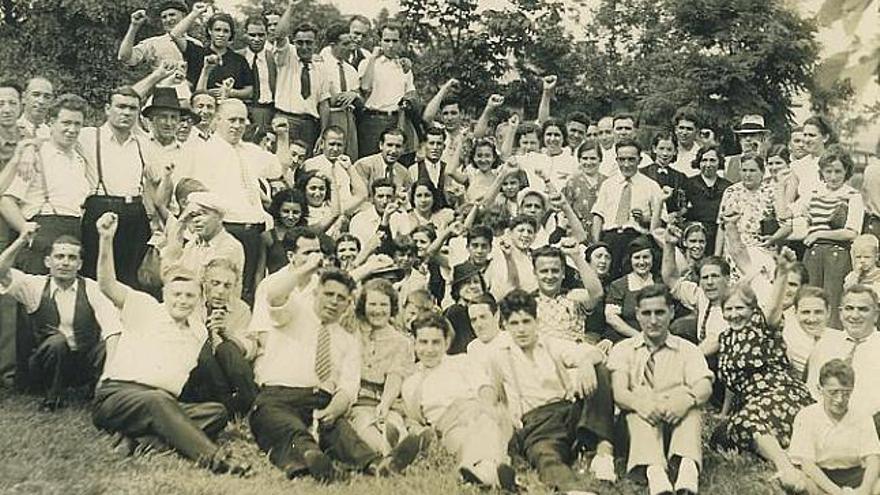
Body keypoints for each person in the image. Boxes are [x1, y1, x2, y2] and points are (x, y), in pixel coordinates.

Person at [92, 212, 250, 476]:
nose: (183, 300)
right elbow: (107, 284)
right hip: (117, 397)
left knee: (216, 412)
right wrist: (106, 240)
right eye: (176, 294)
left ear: (198, 299)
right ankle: (216, 458)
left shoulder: (198, 331)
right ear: (164, 294)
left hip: (163, 403)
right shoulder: (144, 307)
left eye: (190, 296)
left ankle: (142, 440)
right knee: (157, 401)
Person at [246, 253, 421, 481]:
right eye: (329, 294)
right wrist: (302, 271)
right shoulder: (294, 312)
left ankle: (377, 465)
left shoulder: (347, 339)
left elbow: (348, 386)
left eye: (341, 298)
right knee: (291, 429)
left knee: (342, 433)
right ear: (316, 293)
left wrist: (334, 409)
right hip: (278, 398)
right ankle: (319, 463)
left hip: (321, 402)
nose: (333, 302)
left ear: (349, 303)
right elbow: (274, 295)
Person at [487, 290, 617, 491]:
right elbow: (494, 398)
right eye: (514, 323)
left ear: (536, 322)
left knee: (599, 370)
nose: (521, 329)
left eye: (526, 322)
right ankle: (573, 489)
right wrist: (508, 419)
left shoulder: (549, 343)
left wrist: (585, 364)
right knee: (545, 455)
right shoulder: (499, 356)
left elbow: (594, 352)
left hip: (568, 412)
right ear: (504, 325)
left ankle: (603, 452)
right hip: (537, 423)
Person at [710, 278, 815, 493]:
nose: (734, 314)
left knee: (747, 421)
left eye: (740, 308)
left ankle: (786, 469)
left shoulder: (761, 326)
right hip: (752, 402)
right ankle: (790, 454)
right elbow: (730, 380)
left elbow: (774, 308)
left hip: (781, 393)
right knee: (723, 434)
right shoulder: (725, 338)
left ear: (752, 309)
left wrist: (783, 273)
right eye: (728, 309)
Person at [0, 226, 122, 409]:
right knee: (57, 342)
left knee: (106, 346)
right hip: (46, 363)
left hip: (83, 363)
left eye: (72, 258)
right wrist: (22, 240)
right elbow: (1, 272)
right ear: (48, 262)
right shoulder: (35, 286)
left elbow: (112, 330)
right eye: (59, 257)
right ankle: (52, 398)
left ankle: (99, 394)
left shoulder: (93, 288)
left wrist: (109, 373)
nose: (65, 263)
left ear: (80, 264)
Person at [608, 284, 713, 495]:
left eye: (660, 312)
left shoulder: (687, 349)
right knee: (641, 395)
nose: (653, 320)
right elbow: (619, 393)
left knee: (688, 399)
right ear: (637, 315)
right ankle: (655, 473)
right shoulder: (624, 349)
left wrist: (688, 399)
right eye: (646, 313)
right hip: (634, 427)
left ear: (672, 313)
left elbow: (704, 384)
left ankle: (687, 469)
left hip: (674, 423)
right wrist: (641, 404)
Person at [180, 99, 283, 304]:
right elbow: (187, 190)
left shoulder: (251, 151)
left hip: (253, 231)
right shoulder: (202, 150)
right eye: (232, 120)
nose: (237, 125)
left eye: (242, 120)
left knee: (245, 294)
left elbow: (279, 168)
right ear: (217, 120)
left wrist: (283, 136)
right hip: (224, 230)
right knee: (219, 292)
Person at [401, 311, 517, 490]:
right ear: (414, 344)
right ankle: (492, 470)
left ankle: (481, 471)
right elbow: (416, 421)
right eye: (423, 342)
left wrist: (481, 408)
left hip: (481, 412)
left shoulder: (461, 362)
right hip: (450, 428)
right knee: (472, 435)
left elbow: (484, 387)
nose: (430, 349)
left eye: (436, 342)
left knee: (487, 422)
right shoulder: (412, 383)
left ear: (446, 343)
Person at [0, 93, 90, 275]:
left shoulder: (80, 160)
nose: (71, 129)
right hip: (41, 234)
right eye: (66, 123)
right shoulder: (36, 156)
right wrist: (25, 229)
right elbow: (6, 201)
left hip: (73, 236)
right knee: (35, 299)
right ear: (51, 123)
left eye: (77, 124)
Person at [78, 86, 152, 287]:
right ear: (107, 109)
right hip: (100, 210)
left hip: (135, 214)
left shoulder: (144, 143)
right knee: (95, 277)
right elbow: (52, 138)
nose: (126, 112)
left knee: (129, 280)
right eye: (121, 106)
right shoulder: (87, 136)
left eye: (132, 108)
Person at [344, 278, 415, 458]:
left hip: (385, 400)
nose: (378, 310)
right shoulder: (354, 330)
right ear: (364, 305)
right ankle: (388, 451)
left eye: (383, 304)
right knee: (364, 425)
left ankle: (400, 443)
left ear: (392, 307)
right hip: (358, 401)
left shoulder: (401, 341)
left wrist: (385, 403)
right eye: (372, 304)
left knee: (393, 422)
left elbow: (396, 375)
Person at [180, 257, 258, 417]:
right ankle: (228, 408)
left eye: (227, 286)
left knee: (227, 348)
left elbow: (251, 350)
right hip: (197, 376)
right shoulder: (190, 302)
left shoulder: (241, 309)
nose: (221, 291)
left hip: (227, 376)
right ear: (204, 282)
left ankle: (247, 403)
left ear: (235, 287)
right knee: (203, 350)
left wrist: (226, 333)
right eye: (215, 283)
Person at [789, 359, 880, 495]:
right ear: (820, 389)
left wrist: (865, 490)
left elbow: (872, 458)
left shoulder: (862, 415)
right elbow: (808, 465)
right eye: (833, 392)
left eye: (846, 393)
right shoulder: (807, 416)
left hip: (855, 474)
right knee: (799, 483)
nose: (840, 399)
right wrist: (837, 493)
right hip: (820, 475)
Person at [802, 146, 865, 328]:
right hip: (812, 256)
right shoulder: (814, 193)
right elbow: (796, 216)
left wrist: (818, 234)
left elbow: (851, 232)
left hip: (837, 257)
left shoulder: (852, 196)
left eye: (838, 171)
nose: (833, 176)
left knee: (833, 303)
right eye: (828, 171)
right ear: (821, 172)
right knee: (810, 302)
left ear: (846, 171)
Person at [806, 285, 880, 428]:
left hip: (871, 428)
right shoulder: (825, 344)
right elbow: (812, 390)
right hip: (823, 425)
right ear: (840, 313)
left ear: (876, 315)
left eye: (863, 309)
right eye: (849, 308)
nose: (854, 315)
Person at [591, 138, 664, 279]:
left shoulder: (651, 186)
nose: (626, 164)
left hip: (637, 240)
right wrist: (596, 244)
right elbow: (598, 215)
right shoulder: (608, 184)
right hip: (610, 239)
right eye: (622, 159)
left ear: (640, 160)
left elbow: (660, 221)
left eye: (631, 159)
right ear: (617, 160)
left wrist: (645, 219)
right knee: (608, 279)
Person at [160, 192, 245, 294]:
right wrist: (179, 226)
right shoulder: (192, 245)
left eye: (203, 213)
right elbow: (167, 275)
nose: (196, 220)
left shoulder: (230, 247)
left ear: (219, 217)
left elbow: (206, 286)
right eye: (192, 215)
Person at [358, 22, 419, 159]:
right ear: (379, 41)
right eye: (386, 40)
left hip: (396, 121)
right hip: (372, 121)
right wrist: (373, 58)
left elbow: (410, 93)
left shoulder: (404, 67)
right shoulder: (368, 63)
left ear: (400, 43)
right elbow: (365, 87)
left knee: (396, 163)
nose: (391, 45)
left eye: (395, 41)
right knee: (369, 163)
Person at [172, 8, 254, 101]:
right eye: (217, 30)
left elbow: (249, 91)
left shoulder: (238, 60)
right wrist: (195, 13)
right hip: (200, 107)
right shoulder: (197, 53)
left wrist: (230, 92)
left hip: (229, 109)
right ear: (210, 31)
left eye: (226, 31)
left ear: (231, 34)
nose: (221, 34)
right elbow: (175, 35)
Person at [272, 9, 324, 154]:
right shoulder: (287, 56)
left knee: (305, 165)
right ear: (294, 43)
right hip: (286, 119)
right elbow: (279, 34)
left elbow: (324, 102)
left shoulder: (320, 67)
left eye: (309, 42)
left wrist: (323, 133)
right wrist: (291, 6)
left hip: (310, 124)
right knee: (282, 161)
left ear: (316, 44)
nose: (304, 47)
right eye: (300, 43)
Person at [118, 1, 194, 99]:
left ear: (184, 16)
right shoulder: (155, 42)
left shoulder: (196, 44)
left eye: (172, 15)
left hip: (190, 100)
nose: (168, 19)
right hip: (162, 99)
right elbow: (125, 57)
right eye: (164, 17)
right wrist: (134, 26)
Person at [532, 243, 604, 344]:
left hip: (573, 354)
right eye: (544, 271)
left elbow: (597, 293)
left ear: (563, 273)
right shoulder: (528, 302)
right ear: (535, 273)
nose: (550, 276)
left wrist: (576, 256)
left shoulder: (574, 297)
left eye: (555, 271)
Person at [318, 22, 361, 159]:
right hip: (329, 117)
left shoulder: (350, 70)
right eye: (345, 44)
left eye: (351, 43)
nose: (350, 48)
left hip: (348, 118)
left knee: (349, 157)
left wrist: (354, 94)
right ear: (333, 45)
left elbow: (359, 95)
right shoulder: (320, 64)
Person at [605, 236, 660, 343]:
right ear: (630, 260)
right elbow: (611, 318)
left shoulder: (659, 283)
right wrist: (638, 336)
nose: (642, 262)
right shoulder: (619, 285)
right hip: (626, 339)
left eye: (646, 257)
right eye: (637, 257)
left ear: (653, 258)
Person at [682, 144, 731, 254]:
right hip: (696, 238)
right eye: (704, 160)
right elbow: (682, 213)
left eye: (712, 160)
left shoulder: (728, 187)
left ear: (719, 162)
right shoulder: (688, 184)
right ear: (699, 162)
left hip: (720, 237)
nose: (708, 164)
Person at [351, 127, 413, 206]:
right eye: (389, 145)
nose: (393, 151)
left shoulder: (404, 172)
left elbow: (406, 200)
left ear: (403, 149)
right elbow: (359, 200)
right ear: (381, 145)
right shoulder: (363, 166)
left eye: (398, 146)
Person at [239, 15, 277, 131]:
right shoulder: (238, 57)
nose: (256, 39)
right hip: (242, 108)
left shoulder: (273, 57)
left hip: (266, 110)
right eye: (252, 35)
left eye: (261, 35)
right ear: (245, 34)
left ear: (267, 34)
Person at [671, 107, 700, 178]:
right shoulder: (667, 152)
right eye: (681, 128)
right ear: (676, 129)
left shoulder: (701, 155)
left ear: (697, 131)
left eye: (689, 129)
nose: (684, 133)